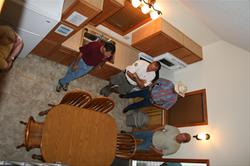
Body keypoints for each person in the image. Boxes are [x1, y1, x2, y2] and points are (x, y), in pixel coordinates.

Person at [120, 78, 187, 113]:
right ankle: (125, 96)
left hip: (152, 102)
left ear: (178, 93)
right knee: (135, 94)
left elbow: (165, 107)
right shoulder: (169, 83)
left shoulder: (174, 99)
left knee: (138, 105)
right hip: (149, 91)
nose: (175, 89)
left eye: (177, 90)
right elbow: (159, 80)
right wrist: (151, 86)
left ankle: (128, 108)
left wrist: (155, 105)